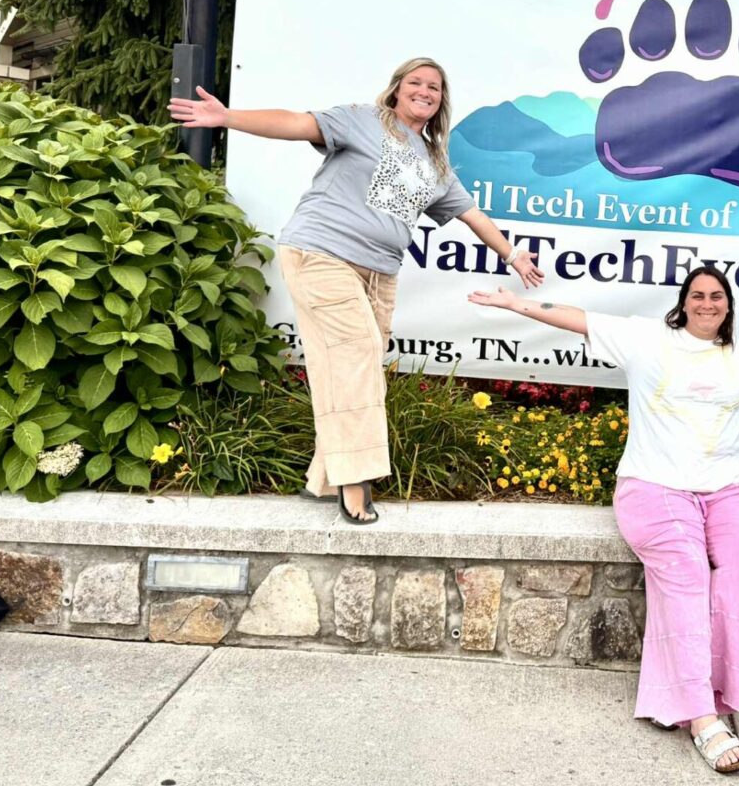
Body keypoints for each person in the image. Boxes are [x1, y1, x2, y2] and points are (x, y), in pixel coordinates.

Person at [468, 267, 739, 775]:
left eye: (717, 297)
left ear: (728, 306)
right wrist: (516, 304)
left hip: (728, 488)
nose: (708, 304)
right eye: (698, 296)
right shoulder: (647, 339)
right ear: (684, 301)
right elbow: (578, 319)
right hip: (653, 486)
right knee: (687, 570)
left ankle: (715, 688)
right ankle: (700, 717)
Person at [169, 57, 544, 524]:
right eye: (416, 82)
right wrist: (228, 118)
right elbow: (294, 123)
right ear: (396, 88)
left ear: (441, 100)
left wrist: (513, 256)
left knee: (355, 364)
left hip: (379, 274)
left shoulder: (434, 161)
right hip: (322, 252)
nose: (425, 90)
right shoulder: (361, 120)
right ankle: (356, 481)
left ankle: (323, 477)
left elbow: (471, 214)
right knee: (356, 353)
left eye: (435, 86)